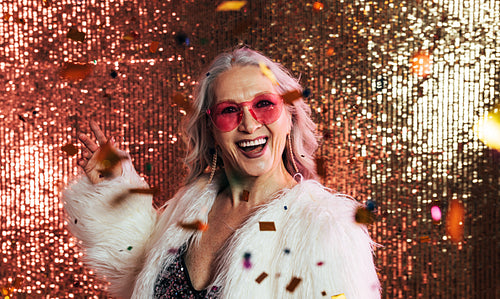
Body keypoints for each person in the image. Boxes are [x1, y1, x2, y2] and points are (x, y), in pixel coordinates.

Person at [63, 47, 381, 299]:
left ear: (290, 117)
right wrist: (117, 189)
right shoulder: (190, 207)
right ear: (212, 130)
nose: (249, 123)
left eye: (264, 104)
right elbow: (137, 274)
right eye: (229, 110)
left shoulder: (324, 229)